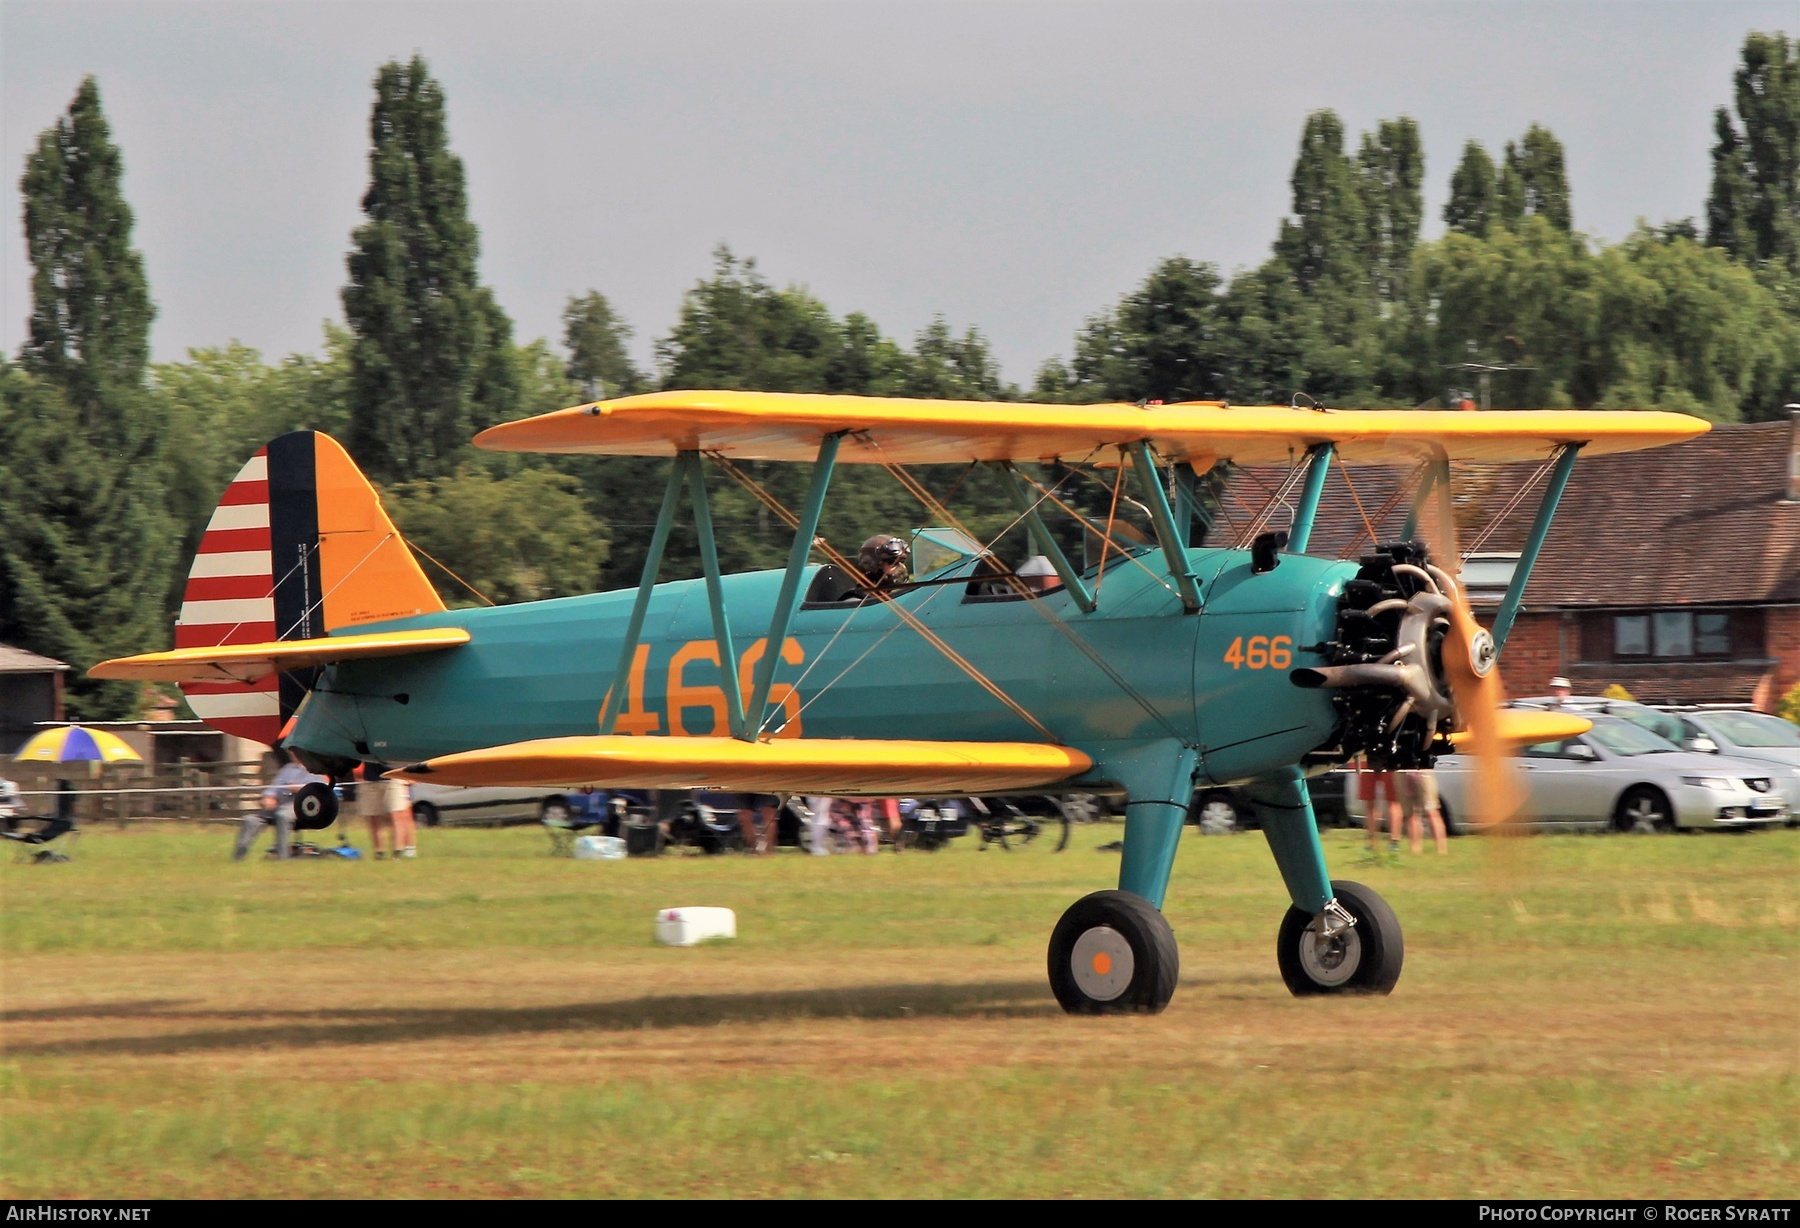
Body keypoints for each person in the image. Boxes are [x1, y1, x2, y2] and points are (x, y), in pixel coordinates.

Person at [237, 749, 320, 861]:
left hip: (299, 804)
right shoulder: (287, 769)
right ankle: (238, 858)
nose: (292, 754)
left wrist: (301, 789)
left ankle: (283, 858)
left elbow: (319, 790)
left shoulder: (315, 770)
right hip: (278, 804)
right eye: (291, 752)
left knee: (282, 815)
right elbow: (274, 787)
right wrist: (268, 797)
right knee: (250, 820)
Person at [360, 761, 416, 859]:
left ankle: (397, 851)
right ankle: (379, 852)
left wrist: (410, 774)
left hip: (393, 777)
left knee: (397, 815)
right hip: (370, 779)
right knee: (373, 817)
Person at [1357, 756, 1403, 853]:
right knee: (1392, 801)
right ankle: (1393, 841)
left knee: (1374, 802)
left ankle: (1372, 842)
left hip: (1368, 756)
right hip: (1388, 756)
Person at [1398, 768, 1448, 855]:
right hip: (1402, 770)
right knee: (1410, 813)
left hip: (1422, 770)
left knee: (1431, 810)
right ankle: (1415, 850)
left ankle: (1441, 850)